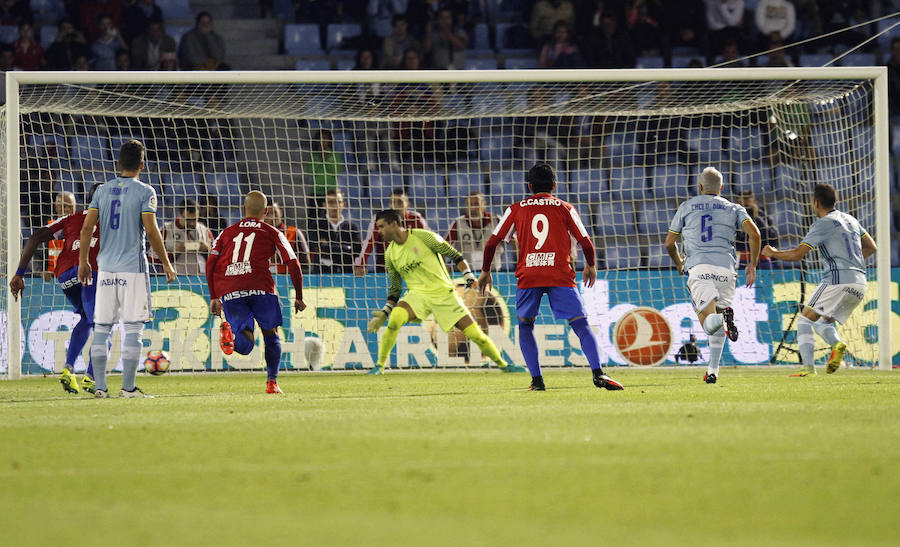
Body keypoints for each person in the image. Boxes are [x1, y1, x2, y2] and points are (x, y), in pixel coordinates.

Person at [478, 163, 624, 392]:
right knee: (581, 324)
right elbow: (586, 241)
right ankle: (598, 373)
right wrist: (591, 265)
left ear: (529, 186)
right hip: (559, 274)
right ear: (554, 185)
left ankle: (537, 381)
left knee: (525, 326)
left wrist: (485, 271)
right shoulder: (565, 207)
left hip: (529, 274)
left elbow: (492, 242)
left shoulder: (516, 208)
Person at [365, 208, 525, 375]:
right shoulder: (390, 254)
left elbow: (454, 254)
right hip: (417, 295)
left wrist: (468, 276)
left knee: (475, 334)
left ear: (394, 224)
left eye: (382, 226)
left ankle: (503, 364)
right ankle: (380, 366)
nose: (379, 231)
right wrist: (385, 312)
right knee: (395, 318)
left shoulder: (423, 236)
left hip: (444, 294)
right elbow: (395, 287)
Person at [77, 139, 176, 398]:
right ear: (142, 165)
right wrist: (166, 262)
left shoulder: (101, 191)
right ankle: (128, 389)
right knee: (133, 329)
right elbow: (152, 230)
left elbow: (87, 228)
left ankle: (99, 388)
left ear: (118, 163)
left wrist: (83, 261)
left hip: (106, 269)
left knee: (101, 328)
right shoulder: (146, 192)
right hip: (133, 269)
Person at [761, 184, 876, 376]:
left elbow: (798, 254)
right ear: (835, 201)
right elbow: (871, 247)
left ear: (815, 202)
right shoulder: (851, 220)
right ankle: (836, 345)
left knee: (805, 320)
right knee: (823, 322)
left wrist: (774, 253)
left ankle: (809, 368)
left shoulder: (822, 223)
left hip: (838, 279)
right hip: (860, 282)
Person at [665, 166, 760, 384]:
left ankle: (724, 319)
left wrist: (679, 262)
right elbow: (755, 234)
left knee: (710, 322)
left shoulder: (687, 206)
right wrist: (752, 265)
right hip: (727, 270)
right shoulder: (734, 208)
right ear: (722, 188)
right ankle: (713, 370)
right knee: (717, 324)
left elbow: (669, 243)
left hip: (700, 268)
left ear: (700, 187)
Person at [206, 191, 306, 394]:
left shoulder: (226, 233)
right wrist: (299, 296)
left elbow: (210, 263)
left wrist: (214, 296)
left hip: (231, 290)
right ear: (266, 211)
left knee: (245, 343)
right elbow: (293, 263)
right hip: (261, 289)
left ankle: (232, 339)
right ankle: (272, 383)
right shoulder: (273, 232)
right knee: (271, 336)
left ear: (244, 210)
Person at [9, 185, 101, 395]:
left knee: (87, 319)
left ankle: (68, 370)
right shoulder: (114, 222)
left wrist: (20, 273)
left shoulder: (70, 219)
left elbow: (34, 238)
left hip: (65, 276)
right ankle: (93, 378)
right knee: (104, 324)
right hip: (89, 271)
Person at [355, 188, 428, 275]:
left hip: (413, 271)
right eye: (392, 202)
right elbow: (369, 242)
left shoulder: (416, 219)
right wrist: (360, 265)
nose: (395, 206)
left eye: (400, 202)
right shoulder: (379, 219)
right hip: (385, 271)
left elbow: (428, 242)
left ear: (408, 204)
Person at [444, 191, 510, 272]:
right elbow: (442, 247)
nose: (473, 208)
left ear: (484, 204)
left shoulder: (497, 220)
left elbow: (516, 243)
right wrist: (444, 266)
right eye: (469, 204)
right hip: (465, 274)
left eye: (476, 204)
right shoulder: (458, 223)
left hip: (493, 273)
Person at [309, 188, 361, 273]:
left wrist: (327, 247)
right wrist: (347, 248)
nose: (335, 206)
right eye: (330, 202)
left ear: (343, 204)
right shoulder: (315, 225)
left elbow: (357, 251)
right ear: (324, 205)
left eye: (338, 202)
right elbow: (316, 248)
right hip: (322, 275)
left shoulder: (352, 227)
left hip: (347, 275)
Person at [162, 198, 214, 275]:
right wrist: (175, 253)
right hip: (176, 278)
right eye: (188, 220)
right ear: (179, 214)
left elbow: (218, 254)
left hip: (201, 278)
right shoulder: (166, 229)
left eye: (195, 219)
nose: (192, 223)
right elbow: (152, 258)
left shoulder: (204, 230)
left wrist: (207, 249)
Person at [264, 201, 312, 270]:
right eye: (268, 214)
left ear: (280, 213)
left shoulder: (294, 232)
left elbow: (306, 263)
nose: (272, 217)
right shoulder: (258, 234)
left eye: (275, 213)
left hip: (287, 277)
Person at [736, 190, 778, 268]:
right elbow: (737, 240)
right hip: (743, 257)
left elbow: (772, 237)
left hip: (762, 257)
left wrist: (756, 217)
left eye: (748, 198)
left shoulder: (762, 215)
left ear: (754, 201)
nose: (746, 201)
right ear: (738, 201)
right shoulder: (734, 215)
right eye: (744, 198)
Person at [306, 129, 345, 209]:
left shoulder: (335, 155)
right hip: (316, 191)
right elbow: (310, 171)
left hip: (330, 191)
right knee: (314, 217)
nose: (322, 141)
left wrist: (326, 159)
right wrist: (321, 159)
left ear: (329, 140)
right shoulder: (313, 155)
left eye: (325, 138)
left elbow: (336, 171)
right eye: (320, 138)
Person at [45, 192, 78, 281]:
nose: (67, 210)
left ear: (75, 207)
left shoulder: (83, 228)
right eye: (63, 206)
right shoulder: (47, 229)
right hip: (50, 281)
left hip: (75, 278)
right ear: (56, 207)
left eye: (70, 206)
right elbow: (37, 253)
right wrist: (40, 271)